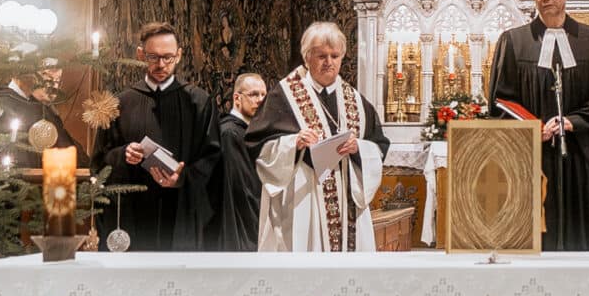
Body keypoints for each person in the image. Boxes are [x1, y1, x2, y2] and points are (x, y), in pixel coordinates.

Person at [486, 0, 589, 251]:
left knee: (579, 238)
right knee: (535, 238)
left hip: (579, 156)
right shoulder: (513, 42)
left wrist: (573, 121)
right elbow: (500, 101)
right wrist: (533, 128)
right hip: (531, 157)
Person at [248, 25, 387, 253]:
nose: (329, 62)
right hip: (304, 200)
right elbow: (258, 146)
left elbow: (379, 145)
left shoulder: (356, 101)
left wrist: (359, 148)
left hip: (346, 199)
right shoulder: (283, 96)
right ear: (307, 57)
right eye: (321, 56)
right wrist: (294, 143)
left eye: (335, 56)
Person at [97, 23, 219, 252]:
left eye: (168, 57)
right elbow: (99, 159)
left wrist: (183, 177)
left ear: (179, 55)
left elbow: (213, 158)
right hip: (134, 218)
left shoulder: (199, 102)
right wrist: (124, 154)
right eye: (153, 57)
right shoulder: (119, 103)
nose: (161, 65)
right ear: (140, 54)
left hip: (181, 214)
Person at [217, 70, 268, 251]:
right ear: (237, 98)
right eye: (254, 94)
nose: (260, 100)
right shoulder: (230, 133)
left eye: (263, 95)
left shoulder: (246, 131)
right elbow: (241, 187)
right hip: (240, 226)